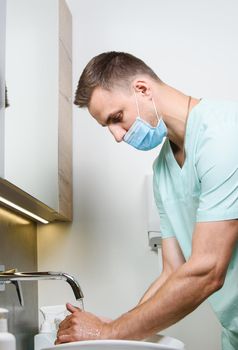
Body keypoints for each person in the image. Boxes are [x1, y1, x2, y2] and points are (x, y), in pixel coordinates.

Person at [55, 51, 238, 349]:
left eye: (116, 118)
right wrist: (109, 334)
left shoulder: (224, 135)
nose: (116, 135)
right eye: (107, 127)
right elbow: (173, 272)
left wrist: (108, 332)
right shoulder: (163, 170)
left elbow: (208, 270)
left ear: (142, 89)